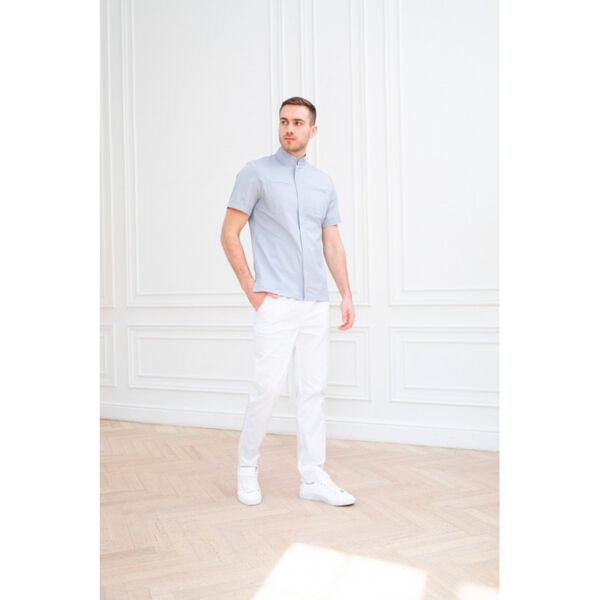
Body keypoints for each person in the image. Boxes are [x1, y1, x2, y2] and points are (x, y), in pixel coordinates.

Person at [220, 96, 356, 507]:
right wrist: (252, 289)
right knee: (266, 387)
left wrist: (345, 293)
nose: (289, 129)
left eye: (298, 122)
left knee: (312, 391)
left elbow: (331, 243)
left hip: (315, 302)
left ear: (313, 130)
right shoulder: (256, 173)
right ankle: (247, 467)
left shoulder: (323, 183)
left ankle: (313, 477)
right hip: (275, 302)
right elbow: (229, 233)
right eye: (284, 121)